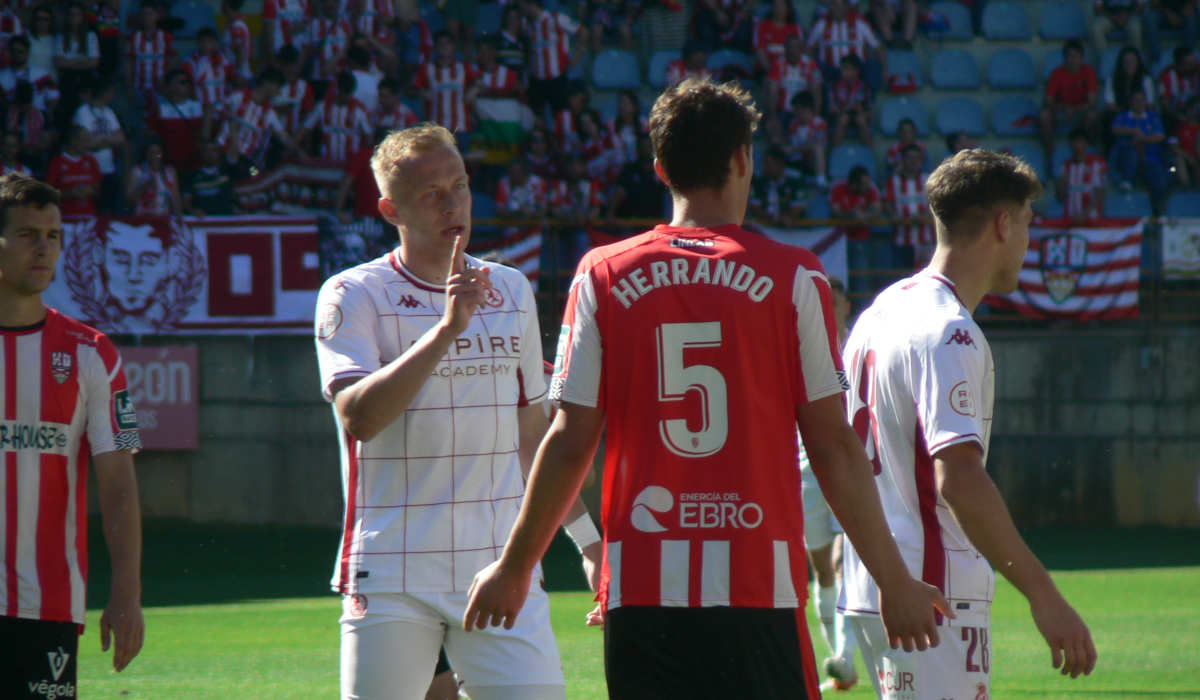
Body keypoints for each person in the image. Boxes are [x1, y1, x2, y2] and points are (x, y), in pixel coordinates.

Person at [463, 77, 949, 699]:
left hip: (640, 587)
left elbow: (568, 441)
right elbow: (832, 445)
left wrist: (514, 566)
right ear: (744, 159)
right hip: (758, 582)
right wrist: (892, 580)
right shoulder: (795, 277)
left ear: (660, 168)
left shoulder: (602, 275)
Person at [313, 123, 601, 700]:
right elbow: (359, 418)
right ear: (391, 209)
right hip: (392, 570)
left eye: (461, 186)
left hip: (499, 565)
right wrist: (447, 330)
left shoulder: (512, 290)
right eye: (432, 194)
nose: (454, 205)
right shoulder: (351, 294)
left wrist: (590, 545)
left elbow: (530, 435)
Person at [839, 148, 1098, 698]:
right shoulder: (949, 330)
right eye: (1026, 224)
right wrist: (1043, 594)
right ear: (1003, 224)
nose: (1027, 242)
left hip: (875, 583)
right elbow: (957, 477)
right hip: (932, 590)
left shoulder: (879, 311)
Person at [0, 173, 144, 699]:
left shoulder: (92, 354)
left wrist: (126, 592)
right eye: (26, 234)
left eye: (53, 235)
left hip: (49, 603)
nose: (43, 248)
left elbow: (118, 481)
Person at [797, 276, 862, 693]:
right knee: (822, 570)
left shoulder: (858, 349)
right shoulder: (803, 347)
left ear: (845, 307)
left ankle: (844, 657)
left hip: (846, 467)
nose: (829, 306)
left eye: (834, 301)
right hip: (803, 469)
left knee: (843, 560)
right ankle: (844, 665)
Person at [1110, 87, 1168, 211]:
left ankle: (1158, 213)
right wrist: (1133, 131)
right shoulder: (1123, 116)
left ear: (1146, 101)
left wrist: (1142, 138)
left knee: (1159, 182)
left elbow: (1160, 136)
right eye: (1136, 100)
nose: (1139, 103)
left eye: (1141, 100)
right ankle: (1126, 181)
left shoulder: (1153, 117)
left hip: (1150, 159)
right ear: (1131, 102)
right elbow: (1115, 130)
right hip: (1127, 157)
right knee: (1131, 152)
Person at [1040, 40, 1099, 162]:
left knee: (1092, 115)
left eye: (1076, 56)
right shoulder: (1057, 73)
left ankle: (1088, 150)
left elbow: (1092, 102)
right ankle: (1049, 152)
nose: (1072, 60)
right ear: (1064, 58)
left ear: (1082, 59)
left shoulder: (1088, 73)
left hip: (1080, 113)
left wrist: (1074, 109)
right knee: (1044, 115)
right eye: (1069, 56)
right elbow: (1048, 101)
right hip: (1061, 113)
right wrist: (1064, 108)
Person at [45, 125, 103, 217]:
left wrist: (90, 190)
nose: (88, 144)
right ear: (73, 141)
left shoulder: (91, 161)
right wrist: (69, 193)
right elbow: (48, 194)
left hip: (89, 216)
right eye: (85, 141)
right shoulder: (57, 162)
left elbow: (98, 189)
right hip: (65, 218)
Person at [1057, 128, 1108, 222]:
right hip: (1070, 219)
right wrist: (1060, 183)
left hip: (1092, 220)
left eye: (1079, 141)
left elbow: (1100, 193)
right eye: (1073, 142)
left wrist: (1085, 214)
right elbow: (1060, 199)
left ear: (1087, 143)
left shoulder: (1097, 163)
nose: (1076, 145)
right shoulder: (1065, 166)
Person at [749, 144, 807, 227]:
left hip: (791, 231)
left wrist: (787, 218)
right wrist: (772, 218)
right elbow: (755, 206)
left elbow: (798, 206)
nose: (764, 167)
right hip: (764, 228)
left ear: (780, 164)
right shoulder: (758, 180)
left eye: (768, 164)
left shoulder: (794, 179)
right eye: (763, 163)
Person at [125, 138, 182, 216]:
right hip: (143, 218)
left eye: (158, 153)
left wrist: (178, 215)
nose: (155, 156)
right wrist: (144, 187)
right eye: (152, 153)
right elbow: (129, 200)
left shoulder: (170, 172)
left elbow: (176, 198)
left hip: (164, 218)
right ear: (147, 154)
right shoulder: (137, 171)